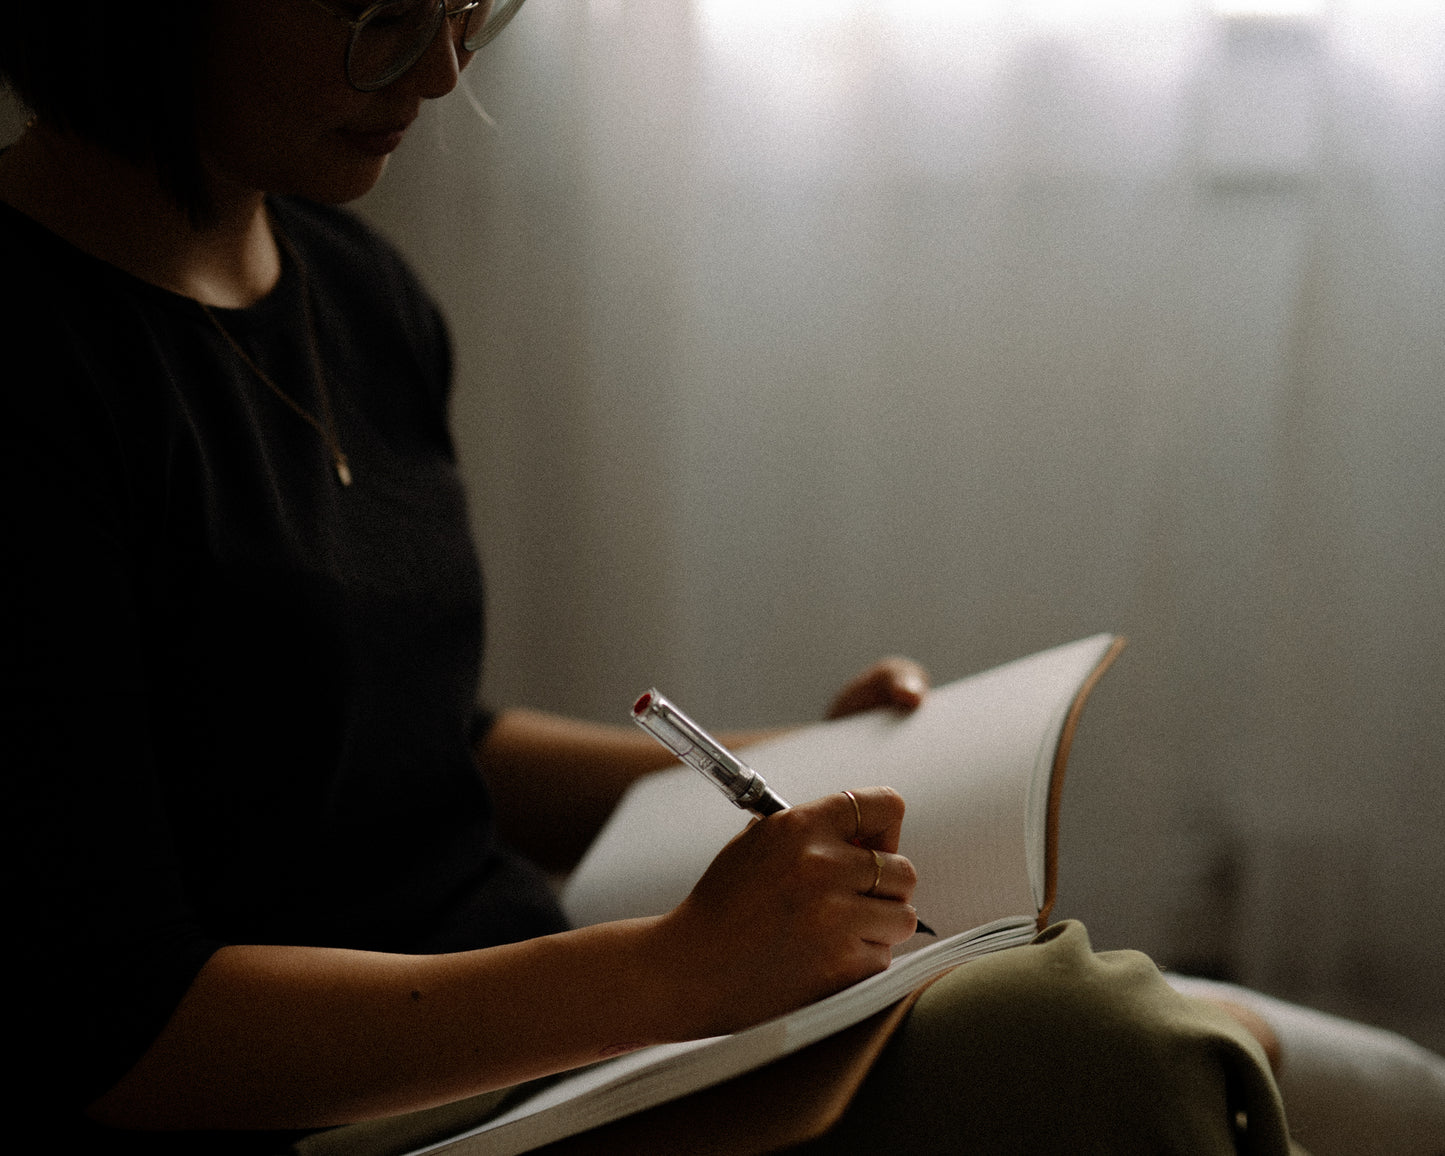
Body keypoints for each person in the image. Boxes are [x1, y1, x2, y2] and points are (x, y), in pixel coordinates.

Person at [1, 4, 1306, 1153]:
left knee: (1149, 1030)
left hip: (527, 1011)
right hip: (346, 1105)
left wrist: (813, 762)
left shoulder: (358, 289)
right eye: (378, 16)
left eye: (472, 7)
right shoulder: (41, 370)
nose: (442, 72)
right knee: (1096, 1043)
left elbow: (395, 748)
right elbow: (116, 1030)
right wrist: (672, 975)